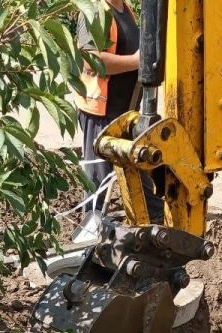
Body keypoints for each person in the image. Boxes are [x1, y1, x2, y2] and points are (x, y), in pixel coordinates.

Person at [74, 0, 162, 222]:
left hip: (126, 115)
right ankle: (89, 236)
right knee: (98, 182)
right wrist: (135, 61)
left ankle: (155, 224)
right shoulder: (95, 10)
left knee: (138, 170)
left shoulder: (125, 9)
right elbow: (91, 61)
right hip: (101, 113)